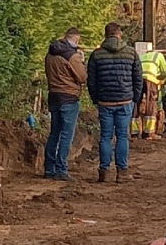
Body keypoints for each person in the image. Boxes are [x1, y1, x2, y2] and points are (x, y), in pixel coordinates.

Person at [86, 22, 143, 183]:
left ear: (105, 35)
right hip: (125, 100)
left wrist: (96, 98)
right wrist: (135, 98)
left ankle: (103, 171)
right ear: (120, 34)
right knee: (122, 136)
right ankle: (122, 172)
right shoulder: (131, 53)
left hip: (105, 102)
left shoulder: (96, 55)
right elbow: (138, 78)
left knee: (105, 136)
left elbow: (91, 80)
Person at [43, 27, 87, 181]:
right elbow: (82, 77)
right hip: (69, 97)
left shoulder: (50, 54)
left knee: (54, 133)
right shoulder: (72, 56)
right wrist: (82, 61)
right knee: (66, 135)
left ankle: (49, 168)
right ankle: (61, 169)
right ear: (76, 39)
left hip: (53, 95)